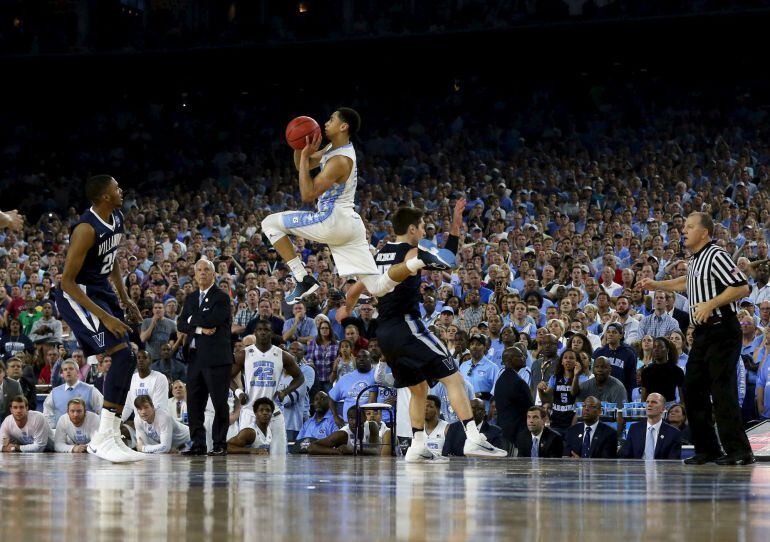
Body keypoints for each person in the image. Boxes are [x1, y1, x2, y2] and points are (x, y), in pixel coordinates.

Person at [338, 200, 507, 461]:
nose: (424, 233)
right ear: (412, 229)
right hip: (407, 326)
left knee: (418, 388)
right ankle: (473, 438)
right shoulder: (410, 253)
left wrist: (345, 310)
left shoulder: (380, 254)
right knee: (454, 377)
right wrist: (455, 224)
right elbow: (448, 261)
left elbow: (356, 287)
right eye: (422, 228)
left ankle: (417, 445)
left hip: (385, 334)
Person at [261, 108, 451, 305]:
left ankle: (302, 277)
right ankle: (420, 259)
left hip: (331, 220)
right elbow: (304, 166)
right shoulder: (333, 149)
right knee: (376, 287)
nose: (325, 123)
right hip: (350, 224)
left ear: (343, 126)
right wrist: (300, 147)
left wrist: (303, 155)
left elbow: (307, 194)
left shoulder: (340, 160)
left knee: (269, 223)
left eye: (331, 119)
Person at [639, 212, 754, 465]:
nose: (684, 230)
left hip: (722, 328)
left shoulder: (716, 255)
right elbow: (686, 282)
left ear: (704, 232)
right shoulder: (695, 260)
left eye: (690, 227)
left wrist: (710, 303)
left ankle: (739, 451)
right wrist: (656, 285)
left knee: (722, 390)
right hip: (703, 331)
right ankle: (708, 448)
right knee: (692, 389)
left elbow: (742, 286)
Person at [52, 175, 143, 462]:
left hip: (101, 291)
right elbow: (66, 282)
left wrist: (125, 298)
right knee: (121, 353)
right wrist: (106, 316)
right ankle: (102, 437)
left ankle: (111, 433)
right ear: (105, 196)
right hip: (77, 295)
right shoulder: (85, 229)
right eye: (117, 188)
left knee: (129, 356)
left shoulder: (116, 217)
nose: (121, 190)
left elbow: (111, 258)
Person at [177, 258, 234, 457]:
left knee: (219, 403)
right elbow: (181, 323)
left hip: (216, 359)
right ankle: (198, 443)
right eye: (199, 269)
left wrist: (193, 320)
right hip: (194, 358)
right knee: (194, 403)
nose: (202, 272)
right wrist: (200, 327)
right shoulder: (191, 298)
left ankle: (219, 443)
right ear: (194, 274)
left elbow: (215, 319)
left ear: (213, 274)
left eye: (206, 270)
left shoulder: (222, 297)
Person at [230, 320, 304, 456]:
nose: (263, 332)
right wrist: (239, 393)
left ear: (272, 333)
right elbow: (227, 377)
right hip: (250, 411)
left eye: (266, 330)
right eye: (259, 329)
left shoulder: (282, 355)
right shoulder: (244, 354)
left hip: (274, 412)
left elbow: (300, 377)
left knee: (279, 456)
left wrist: (285, 391)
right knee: (246, 458)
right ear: (255, 332)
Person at [43, 359, 103, 429]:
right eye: (65, 369)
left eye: (71, 369)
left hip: (86, 435)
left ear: (77, 372)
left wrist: (96, 428)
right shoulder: (55, 392)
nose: (68, 371)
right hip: (62, 434)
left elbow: (102, 409)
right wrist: (53, 428)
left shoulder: (91, 390)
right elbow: (47, 411)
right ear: (62, 373)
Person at [620, 393, 683, 460]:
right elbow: (625, 456)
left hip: (662, 469)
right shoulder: (635, 428)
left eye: (654, 402)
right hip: (637, 469)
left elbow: (673, 462)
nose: (649, 405)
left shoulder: (673, 433)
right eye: (647, 402)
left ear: (663, 409)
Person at [493, 346, 534, 446]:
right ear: (510, 360)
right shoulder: (518, 382)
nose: (524, 357)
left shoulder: (500, 379)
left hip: (502, 429)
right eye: (520, 356)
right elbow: (529, 408)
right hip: (517, 432)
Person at [308, 405, 384, 456]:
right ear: (347, 419)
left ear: (364, 418)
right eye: (351, 419)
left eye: (357, 418)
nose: (354, 422)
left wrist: (353, 450)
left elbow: (377, 451)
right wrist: (335, 451)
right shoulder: (342, 434)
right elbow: (312, 447)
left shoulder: (372, 426)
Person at [442, 398, 506, 457]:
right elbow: (446, 454)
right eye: (472, 408)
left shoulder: (495, 431)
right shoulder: (454, 428)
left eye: (479, 409)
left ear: (484, 413)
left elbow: (498, 456)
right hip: (458, 467)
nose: (474, 411)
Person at [121, 350, 169, 423]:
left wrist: (146, 422)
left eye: (144, 357)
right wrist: (120, 421)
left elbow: (160, 406)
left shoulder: (160, 378)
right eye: (138, 358)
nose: (141, 360)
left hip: (158, 421)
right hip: (140, 424)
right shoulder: (131, 379)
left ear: (150, 361)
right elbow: (128, 405)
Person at [593, 323, 638, 399]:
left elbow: (632, 379)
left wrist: (629, 398)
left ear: (621, 335)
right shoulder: (599, 352)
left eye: (614, 332)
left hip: (621, 393)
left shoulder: (629, 353)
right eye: (608, 332)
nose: (610, 335)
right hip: (601, 394)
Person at [640, 337, 685, 403]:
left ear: (667, 350)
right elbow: (643, 397)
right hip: (651, 406)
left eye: (660, 347)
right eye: (654, 347)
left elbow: (682, 398)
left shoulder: (677, 371)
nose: (656, 349)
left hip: (670, 408)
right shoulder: (646, 371)